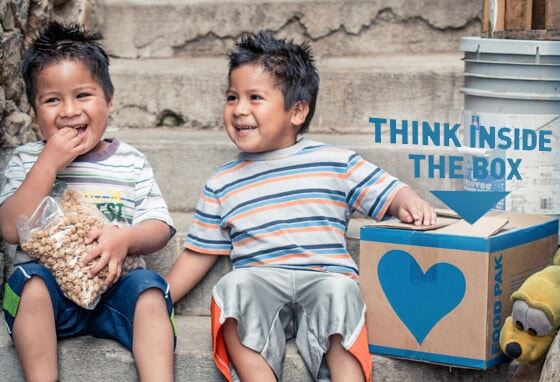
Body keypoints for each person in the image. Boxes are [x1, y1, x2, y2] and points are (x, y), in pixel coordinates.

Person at [166, 31, 436, 382]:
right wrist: (161, 297)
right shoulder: (223, 181)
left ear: (296, 111)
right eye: (232, 97)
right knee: (232, 288)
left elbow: (388, 190)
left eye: (255, 97)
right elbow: (199, 253)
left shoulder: (335, 162)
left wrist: (408, 201)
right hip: (261, 281)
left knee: (342, 292)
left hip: (323, 278)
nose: (239, 109)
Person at [0, 22, 175, 381]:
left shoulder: (131, 161)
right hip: (49, 297)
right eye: (52, 100)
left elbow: (160, 226)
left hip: (115, 291)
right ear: (35, 113)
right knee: (27, 284)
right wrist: (48, 163)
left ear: (109, 102)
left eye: (83, 95)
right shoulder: (25, 160)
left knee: (151, 291)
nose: (68, 110)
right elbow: (9, 228)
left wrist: (125, 239)